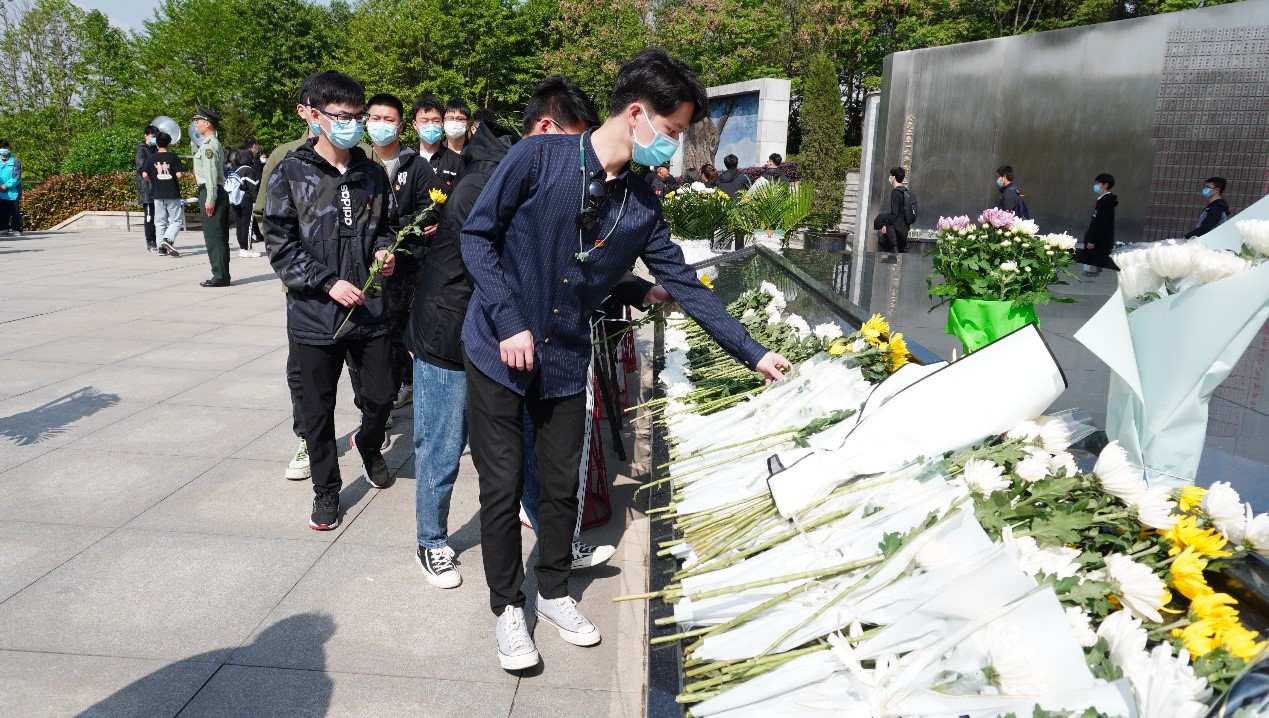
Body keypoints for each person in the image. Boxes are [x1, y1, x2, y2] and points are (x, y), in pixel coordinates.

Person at [460, 48, 790, 671]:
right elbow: (477, 236)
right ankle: (507, 607)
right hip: (497, 351)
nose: (673, 146)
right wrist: (508, 321)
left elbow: (684, 282)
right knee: (501, 487)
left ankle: (553, 591)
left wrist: (754, 351)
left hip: (564, 359)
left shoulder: (641, 203)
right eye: (670, 130)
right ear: (636, 114)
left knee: (561, 487)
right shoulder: (539, 156)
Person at [408, 76, 632, 591]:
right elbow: (486, 258)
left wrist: (633, 287)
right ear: (548, 129)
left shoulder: (542, 172)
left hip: (515, 339)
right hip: (453, 331)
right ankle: (431, 539)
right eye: (578, 139)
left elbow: (565, 259)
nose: (586, 155)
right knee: (443, 444)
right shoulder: (491, 178)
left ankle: (556, 542)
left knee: (529, 450)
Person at [263, 70, 397, 531]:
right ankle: (327, 489)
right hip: (314, 314)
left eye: (357, 117)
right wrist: (326, 282)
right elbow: (280, 244)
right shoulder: (290, 172)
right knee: (316, 409)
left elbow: (388, 226)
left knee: (381, 395)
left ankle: (370, 444)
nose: (351, 125)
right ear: (315, 115)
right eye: (342, 116)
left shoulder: (371, 172)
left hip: (370, 309)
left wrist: (385, 251)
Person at [366, 92, 445, 412]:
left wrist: (395, 227)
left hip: (405, 263)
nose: (381, 125)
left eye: (389, 120)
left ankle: (403, 383)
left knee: (397, 330)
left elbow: (433, 210)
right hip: (365, 262)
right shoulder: (359, 161)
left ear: (400, 127)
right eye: (375, 118)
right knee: (372, 334)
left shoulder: (416, 166)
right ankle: (378, 400)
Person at [192, 107, 231, 287]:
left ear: (208, 124)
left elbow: (210, 173)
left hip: (210, 192)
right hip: (213, 192)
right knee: (217, 236)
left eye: (198, 121)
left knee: (214, 237)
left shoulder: (209, 145)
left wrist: (210, 198)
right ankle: (221, 274)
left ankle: (220, 275)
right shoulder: (212, 144)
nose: (196, 125)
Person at [140, 132, 185, 258]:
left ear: (157, 144)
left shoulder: (151, 158)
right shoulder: (173, 157)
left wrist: (153, 181)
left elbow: (144, 174)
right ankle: (168, 239)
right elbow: (179, 175)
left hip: (157, 193)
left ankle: (161, 248)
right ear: (169, 143)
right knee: (176, 220)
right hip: (172, 192)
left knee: (159, 221)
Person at [411, 95, 463, 188]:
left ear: (442, 123)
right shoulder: (407, 159)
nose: (430, 125)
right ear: (415, 124)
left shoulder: (457, 161)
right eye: (424, 121)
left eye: (436, 121)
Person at [1076, 173, 1118, 277]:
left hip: (1098, 242)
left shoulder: (1106, 201)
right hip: (1095, 240)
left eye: (1098, 183)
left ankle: (1092, 273)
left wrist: (1092, 240)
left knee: (1092, 261)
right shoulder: (1102, 199)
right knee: (1088, 261)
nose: (1096, 186)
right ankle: (1090, 272)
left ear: (1105, 185)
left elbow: (1102, 223)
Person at [229, 143, 263, 258]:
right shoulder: (248, 170)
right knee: (248, 225)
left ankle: (242, 248)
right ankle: (248, 248)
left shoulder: (235, 170)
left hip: (236, 200)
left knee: (239, 224)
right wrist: (256, 200)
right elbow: (253, 186)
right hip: (246, 199)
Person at [878, 166, 911, 256]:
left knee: (884, 246)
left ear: (894, 177)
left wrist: (886, 226)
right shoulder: (906, 192)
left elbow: (894, 213)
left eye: (891, 175)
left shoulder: (895, 192)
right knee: (901, 252)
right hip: (904, 228)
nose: (890, 177)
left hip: (896, 229)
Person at [135, 125, 159, 252]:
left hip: (157, 187)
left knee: (159, 217)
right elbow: (141, 168)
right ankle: (150, 241)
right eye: (152, 136)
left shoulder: (156, 149)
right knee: (150, 216)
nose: (153, 138)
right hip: (147, 189)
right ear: (146, 135)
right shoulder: (141, 149)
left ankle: (158, 240)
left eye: (155, 136)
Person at [0, 140, 22, 236]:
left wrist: (6, 185)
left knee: (15, 211)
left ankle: (17, 229)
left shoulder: (15, 160)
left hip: (13, 191)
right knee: (2, 211)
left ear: (8, 148)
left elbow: (17, 176)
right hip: (0, 191)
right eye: (1, 148)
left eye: (4, 147)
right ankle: (3, 229)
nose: (3, 150)